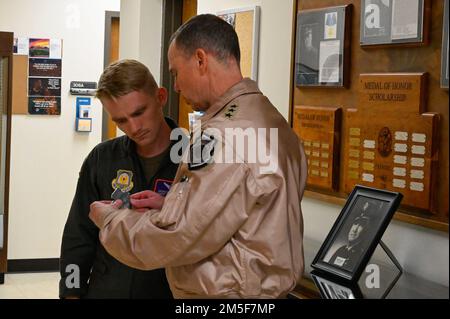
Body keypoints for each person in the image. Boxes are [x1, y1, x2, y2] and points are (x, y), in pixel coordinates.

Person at [89, 14, 308, 298]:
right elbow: (242, 210)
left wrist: (110, 220)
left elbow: (177, 236)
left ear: (201, 60)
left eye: (176, 72)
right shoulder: (270, 120)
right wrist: (172, 205)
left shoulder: (227, 135)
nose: (176, 86)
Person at [59, 59, 177, 299]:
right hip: (108, 289)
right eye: (120, 121)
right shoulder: (101, 159)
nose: (134, 128)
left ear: (161, 97)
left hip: (169, 291)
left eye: (139, 112)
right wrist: (71, 292)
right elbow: (77, 237)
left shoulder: (196, 159)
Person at [328, 202, 372, 271]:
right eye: (355, 223)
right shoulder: (341, 249)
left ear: (365, 231)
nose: (354, 229)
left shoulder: (360, 255)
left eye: (361, 225)